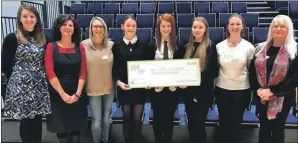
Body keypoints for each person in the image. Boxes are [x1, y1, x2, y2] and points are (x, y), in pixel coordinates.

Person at [1, 4, 51, 143]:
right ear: (20, 19)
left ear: (37, 19)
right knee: (26, 120)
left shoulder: (42, 38)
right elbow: (5, 65)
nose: (29, 19)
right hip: (22, 86)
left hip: (39, 84)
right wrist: (19, 81)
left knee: (37, 118)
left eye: (32, 16)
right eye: (25, 16)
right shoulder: (12, 38)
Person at [249, 15, 298, 143]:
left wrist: (272, 91)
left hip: (283, 98)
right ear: (271, 28)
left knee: (277, 130)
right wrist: (259, 90)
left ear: (289, 29)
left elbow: (294, 79)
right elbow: (252, 73)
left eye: (283, 26)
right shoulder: (260, 48)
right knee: (263, 129)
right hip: (261, 97)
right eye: (275, 26)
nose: (279, 29)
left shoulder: (295, 50)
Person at [44, 15, 87, 143]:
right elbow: (50, 72)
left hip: (77, 92)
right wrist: (62, 94)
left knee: (75, 131)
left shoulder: (80, 47)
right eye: (64, 25)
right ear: (59, 27)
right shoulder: (51, 46)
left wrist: (77, 94)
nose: (67, 27)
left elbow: (83, 72)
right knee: (61, 131)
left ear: (74, 29)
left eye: (70, 25)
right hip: (58, 94)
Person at [214, 14, 255, 143]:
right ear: (227, 27)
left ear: (242, 27)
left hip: (241, 90)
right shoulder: (219, 46)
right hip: (222, 90)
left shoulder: (249, 47)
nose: (235, 26)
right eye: (232, 24)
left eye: (238, 24)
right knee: (223, 122)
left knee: (236, 124)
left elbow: (251, 71)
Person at [179, 17, 218, 143]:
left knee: (199, 125)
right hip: (188, 93)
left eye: (200, 27)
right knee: (191, 124)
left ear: (205, 29)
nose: (197, 30)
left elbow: (213, 73)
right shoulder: (186, 47)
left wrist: (196, 84)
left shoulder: (211, 47)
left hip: (203, 94)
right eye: (195, 27)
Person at [147, 13, 184, 143]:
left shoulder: (179, 44)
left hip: (173, 89)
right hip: (156, 90)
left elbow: (181, 68)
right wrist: (151, 84)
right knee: (157, 117)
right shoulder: (151, 45)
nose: (166, 29)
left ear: (172, 28)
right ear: (159, 27)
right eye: (163, 26)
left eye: (169, 26)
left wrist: (177, 84)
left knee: (169, 118)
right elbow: (147, 68)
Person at [112, 15, 149, 143]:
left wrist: (148, 81)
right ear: (122, 27)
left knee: (137, 119)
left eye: (133, 26)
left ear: (136, 27)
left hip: (140, 88)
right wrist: (118, 82)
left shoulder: (144, 44)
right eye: (128, 25)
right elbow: (114, 67)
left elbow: (148, 66)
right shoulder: (116, 46)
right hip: (124, 87)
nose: (131, 28)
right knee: (127, 118)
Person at [81, 17, 114, 143]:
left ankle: (105, 140)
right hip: (93, 89)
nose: (98, 29)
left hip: (109, 89)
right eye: (95, 26)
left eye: (101, 26)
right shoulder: (83, 45)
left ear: (105, 29)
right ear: (91, 29)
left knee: (106, 118)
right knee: (97, 120)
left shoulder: (111, 45)